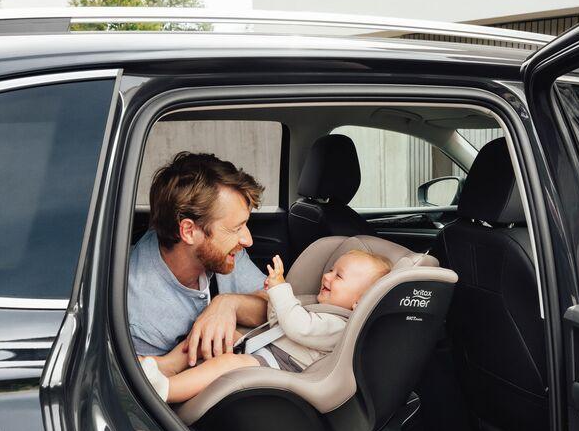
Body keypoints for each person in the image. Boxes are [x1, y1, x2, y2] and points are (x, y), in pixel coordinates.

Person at [141, 249, 392, 403]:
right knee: (216, 334)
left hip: (281, 366)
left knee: (227, 363)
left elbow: (298, 327)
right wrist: (274, 298)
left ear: (359, 302)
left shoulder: (340, 326)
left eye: (339, 276)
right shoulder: (319, 306)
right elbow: (278, 321)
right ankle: (163, 366)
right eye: (330, 269)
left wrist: (281, 289)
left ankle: (167, 390)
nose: (326, 276)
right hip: (267, 348)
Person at [128, 152, 268, 362]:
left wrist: (227, 305)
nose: (247, 240)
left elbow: (274, 305)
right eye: (236, 228)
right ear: (189, 231)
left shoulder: (225, 251)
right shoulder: (141, 316)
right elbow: (154, 378)